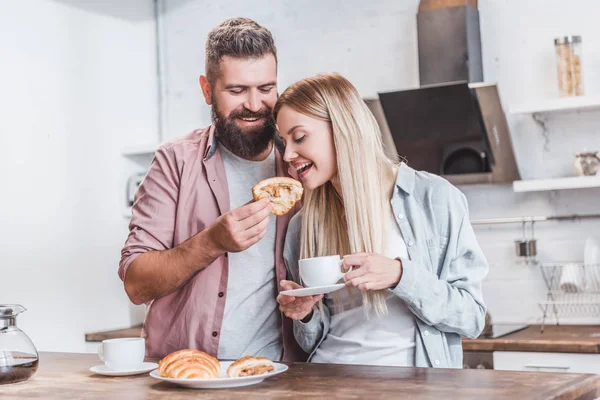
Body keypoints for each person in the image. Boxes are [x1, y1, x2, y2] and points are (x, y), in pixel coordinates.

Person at [119, 17, 304, 361]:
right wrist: (212, 242)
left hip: (281, 375)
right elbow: (135, 283)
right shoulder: (175, 161)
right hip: (187, 376)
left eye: (266, 89)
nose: (254, 104)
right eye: (236, 91)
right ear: (207, 89)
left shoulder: (301, 164)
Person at [274, 73, 488, 368]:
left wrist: (401, 275)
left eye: (299, 138)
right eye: (283, 142)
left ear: (342, 128)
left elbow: (472, 318)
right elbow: (313, 341)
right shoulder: (303, 225)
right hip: (326, 383)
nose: (287, 154)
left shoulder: (434, 199)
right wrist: (306, 315)